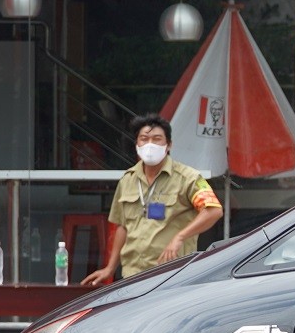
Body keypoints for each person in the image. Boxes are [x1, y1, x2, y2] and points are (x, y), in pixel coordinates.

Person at [82, 114, 222, 286]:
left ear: (168, 145)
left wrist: (179, 237)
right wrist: (110, 268)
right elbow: (122, 227)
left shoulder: (187, 177)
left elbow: (213, 210)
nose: (150, 144)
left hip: (172, 273)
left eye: (157, 139)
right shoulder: (128, 180)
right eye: (144, 139)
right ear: (137, 145)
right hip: (133, 275)